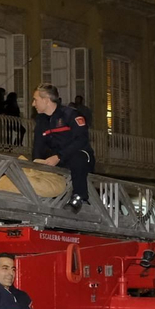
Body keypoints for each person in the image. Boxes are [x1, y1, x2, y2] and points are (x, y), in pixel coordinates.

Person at [31, 82, 94, 212]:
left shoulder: (71, 115)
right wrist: (36, 163)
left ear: (46, 100)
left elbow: (81, 139)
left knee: (78, 158)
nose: (33, 104)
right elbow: (38, 147)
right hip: (58, 159)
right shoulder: (41, 122)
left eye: (35, 100)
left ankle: (79, 197)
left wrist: (59, 156)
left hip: (80, 156)